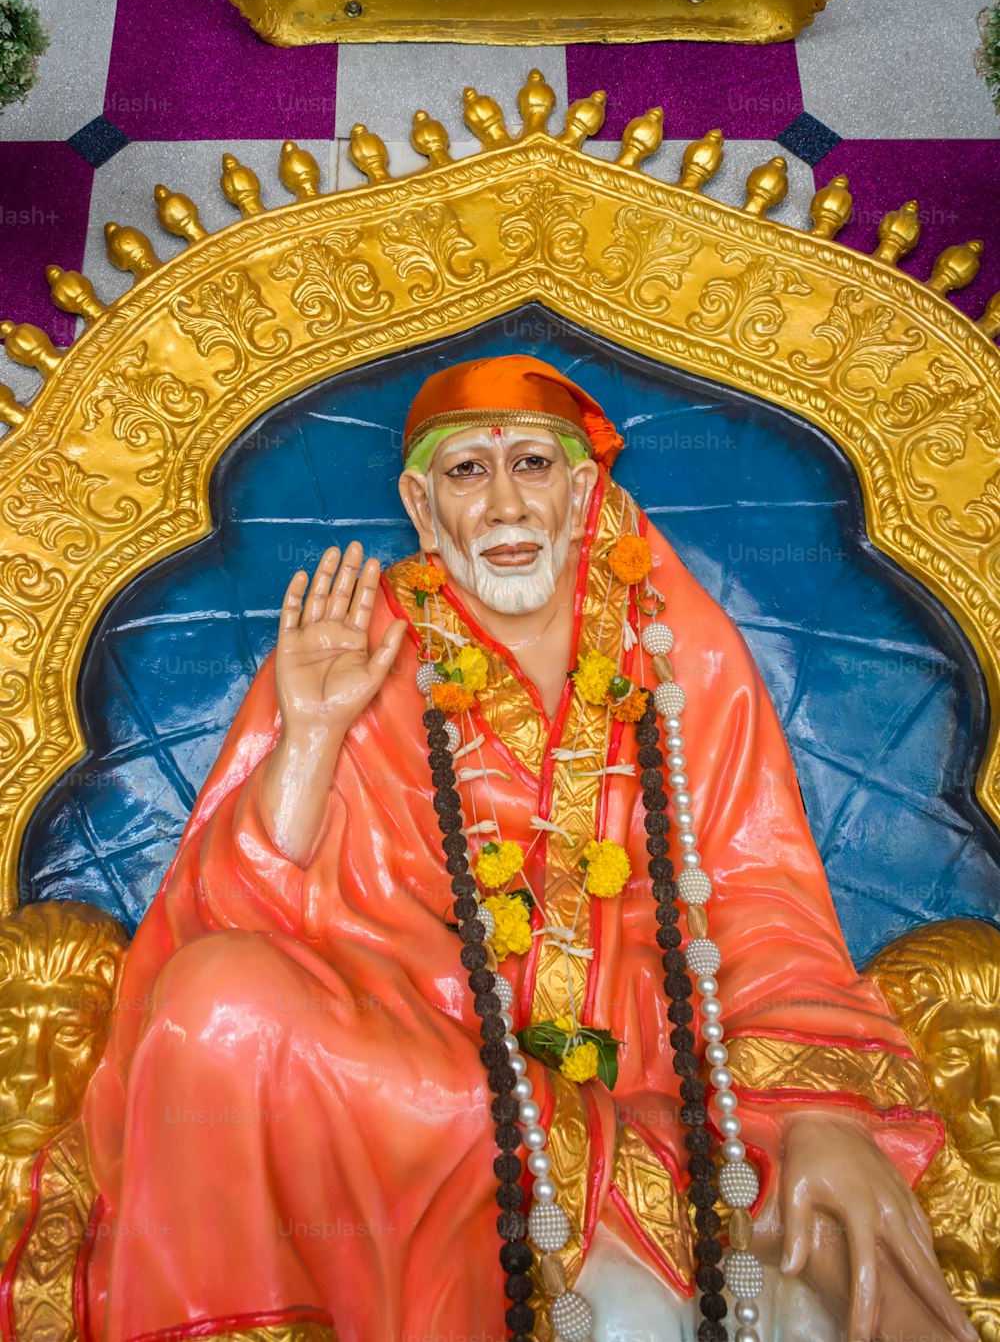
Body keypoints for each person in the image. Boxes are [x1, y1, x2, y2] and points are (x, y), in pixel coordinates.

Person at [81, 356, 975, 1342]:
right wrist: (309, 734)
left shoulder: (673, 644)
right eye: (467, 471)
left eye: (533, 466)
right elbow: (241, 909)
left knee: (791, 1296)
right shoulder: (365, 638)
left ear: (584, 487)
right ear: (421, 505)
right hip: (429, 1069)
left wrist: (822, 1114)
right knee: (215, 1000)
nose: (504, 502)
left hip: (654, 1075)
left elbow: (758, 893)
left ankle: (608, 1200)